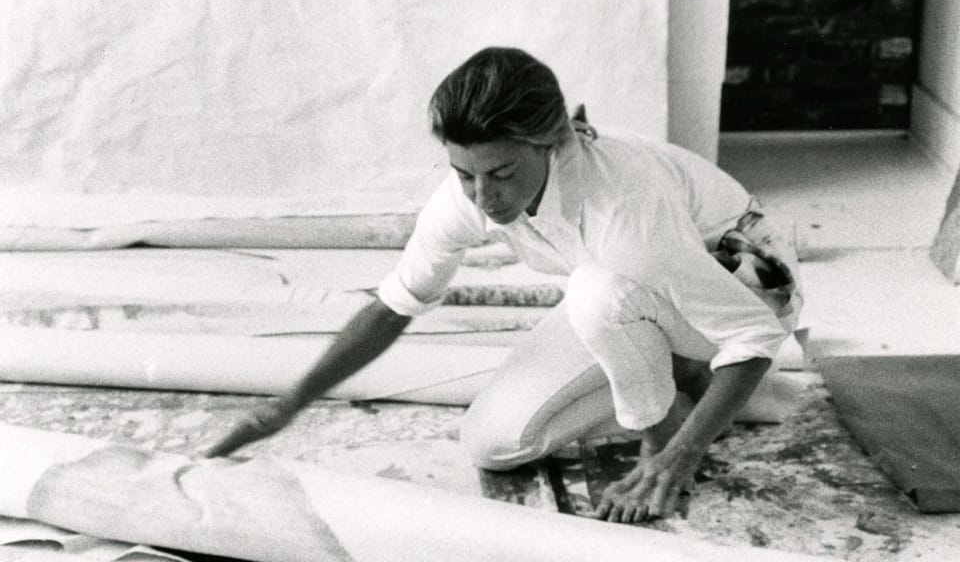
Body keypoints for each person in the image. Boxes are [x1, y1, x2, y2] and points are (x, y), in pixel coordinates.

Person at [207, 47, 801, 522]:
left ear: (557, 142)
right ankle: (685, 379)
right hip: (641, 290)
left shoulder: (626, 214)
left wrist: (677, 456)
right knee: (495, 444)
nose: (484, 198)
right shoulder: (469, 196)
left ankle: (666, 425)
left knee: (596, 293)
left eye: (501, 174)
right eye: (464, 173)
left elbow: (753, 334)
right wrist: (287, 406)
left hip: (747, 281)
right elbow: (394, 305)